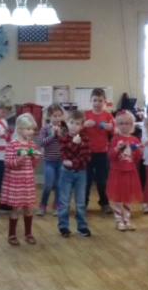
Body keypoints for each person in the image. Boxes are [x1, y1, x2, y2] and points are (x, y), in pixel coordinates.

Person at [0, 113, 41, 246]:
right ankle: (12, 235)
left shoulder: (32, 145)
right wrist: (20, 159)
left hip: (27, 181)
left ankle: (28, 233)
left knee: (28, 208)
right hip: (15, 182)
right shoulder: (12, 145)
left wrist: (35, 157)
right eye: (28, 129)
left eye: (32, 129)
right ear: (19, 129)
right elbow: (8, 163)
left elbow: (33, 164)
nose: (31, 132)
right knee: (16, 209)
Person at [57, 110, 92, 238]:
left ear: (81, 126)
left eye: (77, 124)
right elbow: (64, 156)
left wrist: (74, 163)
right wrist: (74, 144)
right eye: (71, 123)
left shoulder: (85, 139)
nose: (74, 126)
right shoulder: (64, 138)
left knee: (81, 202)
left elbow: (86, 157)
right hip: (66, 173)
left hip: (81, 173)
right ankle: (63, 226)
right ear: (67, 123)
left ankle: (82, 226)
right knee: (64, 201)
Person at [108, 111, 143, 231]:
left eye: (127, 123)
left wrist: (138, 150)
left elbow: (137, 158)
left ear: (132, 124)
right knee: (117, 197)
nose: (124, 126)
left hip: (130, 171)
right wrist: (117, 149)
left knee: (127, 197)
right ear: (117, 125)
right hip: (117, 171)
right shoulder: (115, 138)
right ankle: (119, 220)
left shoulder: (135, 139)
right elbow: (111, 156)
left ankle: (127, 219)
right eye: (121, 123)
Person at [83, 88, 115, 213]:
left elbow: (115, 130)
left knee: (102, 181)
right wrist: (84, 125)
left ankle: (104, 203)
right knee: (87, 181)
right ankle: (83, 204)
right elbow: (77, 130)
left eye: (100, 100)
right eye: (95, 100)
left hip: (102, 153)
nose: (97, 103)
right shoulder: (86, 115)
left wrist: (109, 127)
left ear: (105, 101)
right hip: (88, 152)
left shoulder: (108, 115)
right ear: (91, 100)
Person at [37, 103, 66, 217]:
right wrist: (52, 136)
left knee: (59, 185)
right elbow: (42, 143)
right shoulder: (45, 128)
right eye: (55, 116)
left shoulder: (63, 128)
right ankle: (43, 205)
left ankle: (57, 205)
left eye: (59, 115)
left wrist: (59, 135)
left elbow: (65, 143)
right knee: (48, 185)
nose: (58, 118)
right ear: (49, 117)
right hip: (49, 162)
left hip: (60, 161)